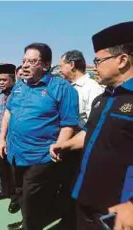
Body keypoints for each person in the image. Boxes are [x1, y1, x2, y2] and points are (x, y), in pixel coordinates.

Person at [50, 21, 133, 230]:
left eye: (99, 60)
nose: (94, 66)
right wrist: (66, 145)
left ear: (122, 60)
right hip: (85, 198)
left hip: (118, 211)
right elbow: (89, 131)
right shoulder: (103, 97)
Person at [0, 43, 79, 230]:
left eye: (32, 61)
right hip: (16, 154)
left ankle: (30, 225)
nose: (25, 65)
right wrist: (2, 138)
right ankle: (29, 221)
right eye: (24, 61)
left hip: (41, 158)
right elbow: (8, 113)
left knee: (31, 200)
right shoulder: (19, 86)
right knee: (20, 193)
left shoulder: (62, 88)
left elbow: (69, 124)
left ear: (45, 65)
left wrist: (60, 146)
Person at [53, 50, 105, 229]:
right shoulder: (66, 88)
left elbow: (94, 124)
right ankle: (68, 220)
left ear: (72, 65)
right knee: (67, 186)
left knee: (79, 188)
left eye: (61, 66)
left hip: (82, 149)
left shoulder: (92, 88)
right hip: (67, 146)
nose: (60, 70)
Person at [0, 64, 20, 214]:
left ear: (12, 80)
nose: (0, 82)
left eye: (4, 80)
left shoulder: (18, 95)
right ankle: (5, 191)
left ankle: (16, 198)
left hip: (13, 139)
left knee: (14, 169)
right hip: (0, 138)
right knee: (2, 166)